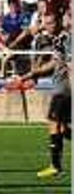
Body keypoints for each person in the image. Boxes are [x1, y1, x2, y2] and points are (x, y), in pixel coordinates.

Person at [15, 11, 70, 178]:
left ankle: (55, 166)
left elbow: (67, 64)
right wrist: (31, 75)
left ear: (59, 21)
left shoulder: (67, 39)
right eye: (45, 23)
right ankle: (56, 166)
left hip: (65, 89)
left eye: (51, 23)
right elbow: (55, 63)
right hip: (61, 88)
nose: (47, 27)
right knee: (62, 127)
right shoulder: (59, 41)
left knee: (53, 122)